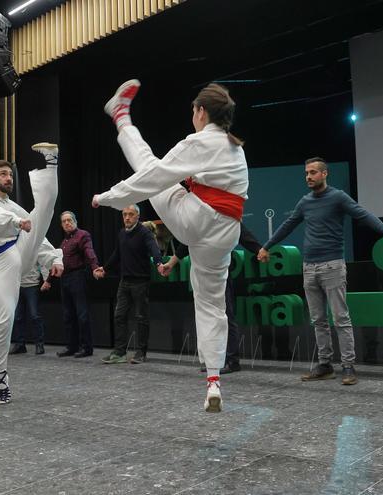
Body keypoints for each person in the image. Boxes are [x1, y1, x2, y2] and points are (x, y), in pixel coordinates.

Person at [94, 80, 247, 412]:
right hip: (226, 233)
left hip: (198, 220)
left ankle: (120, 116)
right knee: (212, 305)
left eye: (193, 110)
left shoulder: (201, 141)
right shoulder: (236, 147)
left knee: (150, 166)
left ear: (201, 111)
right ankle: (213, 379)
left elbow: (156, 176)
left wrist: (108, 197)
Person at [257, 157, 383, 386]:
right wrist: (266, 246)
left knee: (340, 318)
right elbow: (288, 225)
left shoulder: (338, 197)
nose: (308, 177)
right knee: (318, 320)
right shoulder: (305, 202)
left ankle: (348, 365)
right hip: (309, 267)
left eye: (313, 172)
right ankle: (325, 364)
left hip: (332, 266)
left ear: (324, 174)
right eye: (307, 173)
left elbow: (363, 214)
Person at [0, 145, 63, 404]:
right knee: (5, 320)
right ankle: (1, 377)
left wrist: (54, 258)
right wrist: (16, 222)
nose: (8, 178)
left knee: (42, 213)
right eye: (3, 174)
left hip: (19, 251)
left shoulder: (14, 207)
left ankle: (52, 162)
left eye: (10, 174)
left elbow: (37, 234)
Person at [164, 222, 262, 373]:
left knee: (225, 316)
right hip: (201, 275)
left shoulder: (224, 217)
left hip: (220, 275)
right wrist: (171, 263)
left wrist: (259, 250)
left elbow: (241, 233)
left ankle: (232, 360)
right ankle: (214, 360)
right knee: (207, 318)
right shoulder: (199, 219)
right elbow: (187, 243)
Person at [102, 205, 164, 365]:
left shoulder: (144, 233)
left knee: (141, 317)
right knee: (119, 316)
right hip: (124, 282)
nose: (127, 217)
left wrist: (159, 263)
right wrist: (105, 268)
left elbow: (154, 249)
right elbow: (117, 254)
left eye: (130, 214)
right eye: (124, 214)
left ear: (138, 216)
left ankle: (141, 352)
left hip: (140, 282)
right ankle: (120, 352)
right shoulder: (122, 233)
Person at [55, 211, 104, 358]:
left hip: (78, 277)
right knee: (68, 315)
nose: (67, 223)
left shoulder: (83, 235)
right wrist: (48, 281)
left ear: (75, 221)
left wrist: (95, 267)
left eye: (69, 220)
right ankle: (71, 346)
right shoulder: (64, 242)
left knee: (82, 314)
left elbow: (89, 251)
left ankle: (86, 348)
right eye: (64, 221)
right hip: (65, 278)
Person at [10, 255, 56, 356]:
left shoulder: (34, 247)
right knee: (17, 317)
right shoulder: (14, 247)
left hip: (32, 285)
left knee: (35, 316)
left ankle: (39, 344)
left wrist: (46, 280)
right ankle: (20, 344)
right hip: (17, 286)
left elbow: (43, 263)